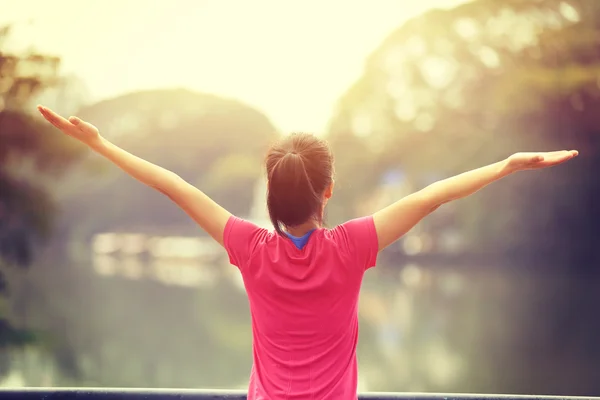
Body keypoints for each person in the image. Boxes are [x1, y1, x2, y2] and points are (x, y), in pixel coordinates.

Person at [37, 105, 578, 399]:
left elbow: (174, 187)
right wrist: (507, 164)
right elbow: (433, 196)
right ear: (328, 190)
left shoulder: (250, 248)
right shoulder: (352, 246)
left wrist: (99, 144)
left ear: (271, 195)